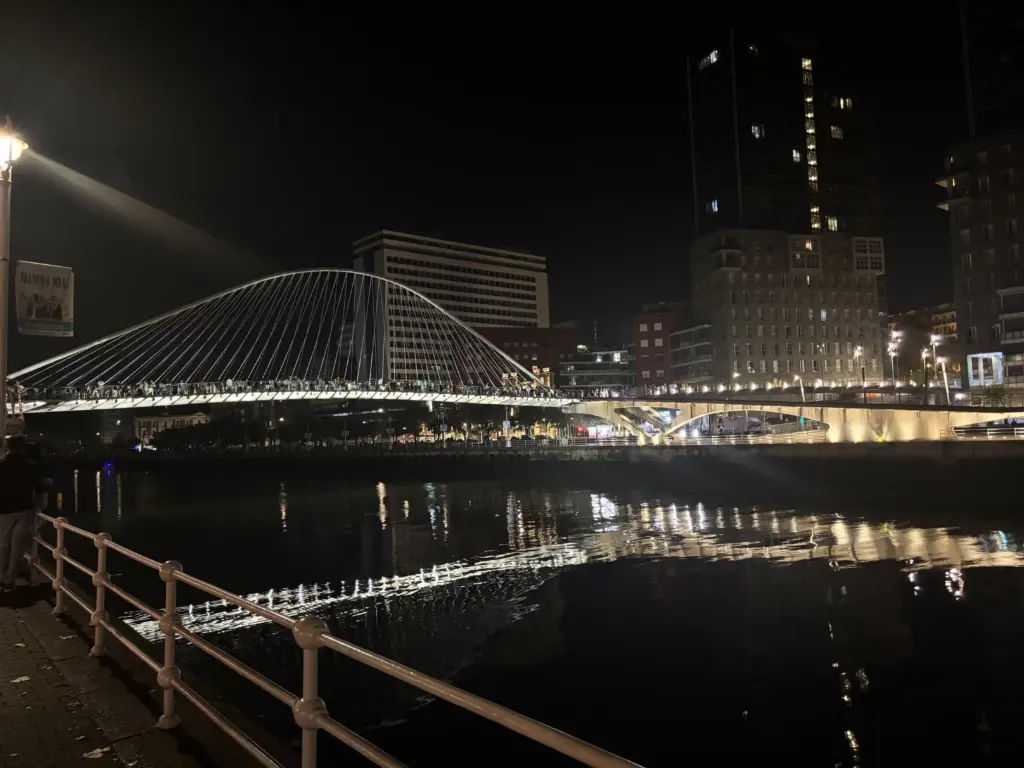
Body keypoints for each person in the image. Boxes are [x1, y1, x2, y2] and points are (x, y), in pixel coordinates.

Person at [0, 437, 51, 590]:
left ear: (7, 447)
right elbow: (43, 485)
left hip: (2, 510)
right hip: (24, 510)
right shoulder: (31, 466)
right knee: (18, 545)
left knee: (2, 544)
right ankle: (10, 579)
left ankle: (1, 577)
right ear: (23, 448)